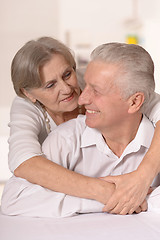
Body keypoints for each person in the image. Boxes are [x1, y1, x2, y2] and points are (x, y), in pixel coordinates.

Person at [1, 42, 160, 217]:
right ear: (28, 94)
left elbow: (145, 99)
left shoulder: (95, 80)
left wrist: (142, 177)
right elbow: (24, 162)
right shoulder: (59, 133)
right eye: (50, 85)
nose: (68, 89)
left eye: (68, 74)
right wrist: (108, 194)